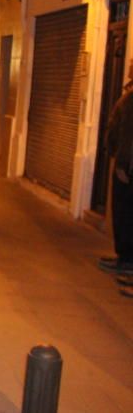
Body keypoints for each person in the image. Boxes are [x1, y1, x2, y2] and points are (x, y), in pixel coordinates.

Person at [102, 58, 133, 291]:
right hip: (124, 162)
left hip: (127, 165)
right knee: (121, 213)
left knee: (124, 213)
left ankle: (126, 259)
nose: (130, 65)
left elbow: (127, 135)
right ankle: (123, 255)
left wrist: (123, 164)